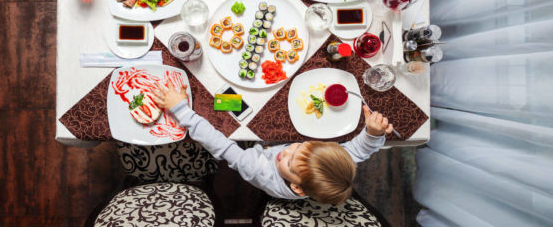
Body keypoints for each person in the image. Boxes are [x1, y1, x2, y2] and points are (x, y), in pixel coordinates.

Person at [151, 83, 394, 204]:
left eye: (289, 163)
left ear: (297, 189)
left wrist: (182, 110)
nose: (286, 152)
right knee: (239, 100)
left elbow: (221, 146)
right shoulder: (334, 160)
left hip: (254, 152)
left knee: (217, 102)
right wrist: (373, 133)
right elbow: (360, 150)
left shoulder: (259, 171)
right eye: (298, 148)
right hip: (269, 142)